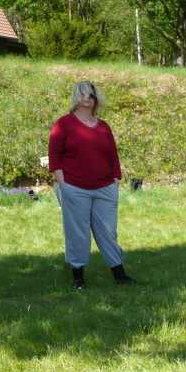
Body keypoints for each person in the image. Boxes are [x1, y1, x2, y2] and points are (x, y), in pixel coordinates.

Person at [48, 81, 134, 290]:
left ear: (96, 99)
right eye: (83, 94)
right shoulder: (63, 124)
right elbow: (54, 157)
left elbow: (113, 156)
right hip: (75, 188)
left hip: (105, 188)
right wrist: (63, 184)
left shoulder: (103, 127)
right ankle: (78, 278)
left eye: (91, 95)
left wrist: (115, 180)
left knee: (108, 232)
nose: (87, 98)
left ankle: (119, 275)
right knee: (78, 233)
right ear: (76, 98)